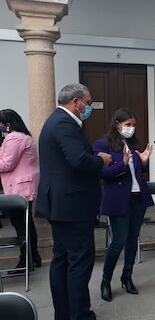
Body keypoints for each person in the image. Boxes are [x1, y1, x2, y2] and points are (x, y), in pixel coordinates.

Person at [36, 83, 112, 320]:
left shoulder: (57, 121)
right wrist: (101, 161)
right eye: (88, 103)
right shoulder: (63, 123)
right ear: (76, 101)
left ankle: (65, 313)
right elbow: (79, 161)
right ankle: (79, 314)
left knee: (62, 259)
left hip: (63, 204)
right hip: (72, 206)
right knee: (79, 261)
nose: (88, 107)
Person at [92, 108, 154, 302]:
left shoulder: (134, 142)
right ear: (117, 125)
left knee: (133, 239)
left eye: (134, 125)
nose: (132, 128)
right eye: (128, 125)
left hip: (137, 198)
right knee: (118, 241)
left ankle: (127, 277)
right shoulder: (102, 144)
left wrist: (143, 162)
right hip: (118, 198)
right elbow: (101, 174)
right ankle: (106, 280)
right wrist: (122, 164)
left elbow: (136, 173)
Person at [0, 109, 41, 270]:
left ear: (8, 124)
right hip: (22, 186)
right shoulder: (22, 136)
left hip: (19, 188)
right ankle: (33, 257)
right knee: (26, 223)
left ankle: (26, 260)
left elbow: (7, 164)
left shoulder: (14, 138)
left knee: (21, 225)